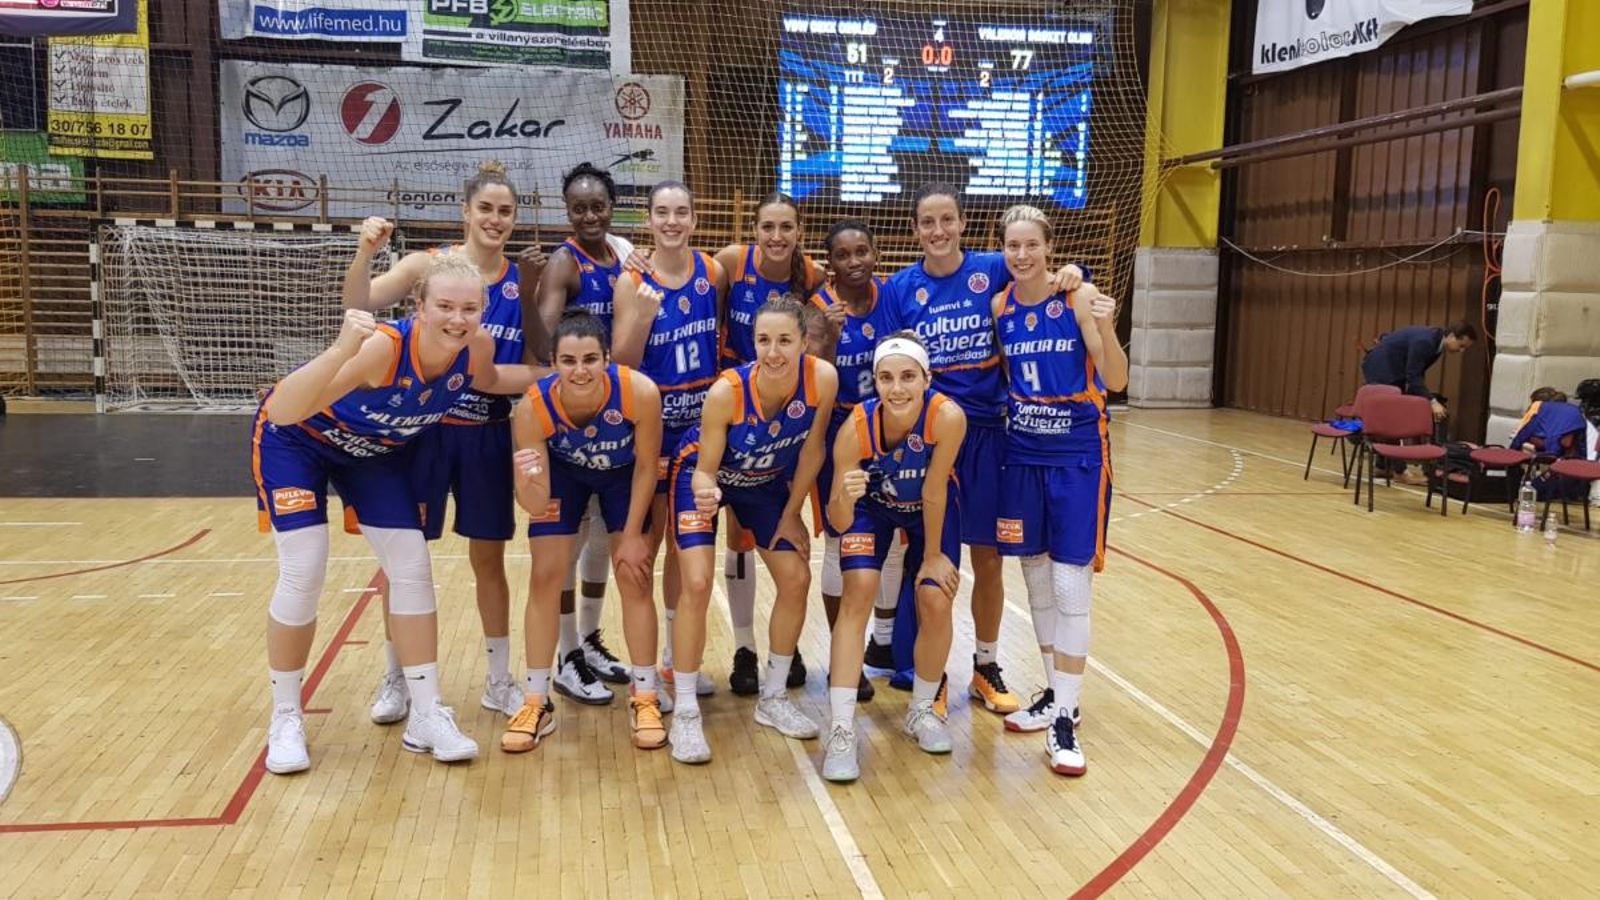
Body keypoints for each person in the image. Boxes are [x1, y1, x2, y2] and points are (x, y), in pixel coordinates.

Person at [257, 254, 539, 774]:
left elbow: (497, 378)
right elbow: (282, 410)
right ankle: (285, 716)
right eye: (446, 306)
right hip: (300, 444)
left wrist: (574, 370)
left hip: (371, 452)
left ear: (484, 311)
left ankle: (427, 713)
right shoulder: (383, 349)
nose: (458, 318)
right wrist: (344, 348)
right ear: (420, 306)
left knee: (411, 563)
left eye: (470, 308)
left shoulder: (475, 348)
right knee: (305, 567)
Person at [342, 161, 547, 722]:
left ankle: (499, 679)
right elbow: (360, 304)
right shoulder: (426, 266)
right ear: (466, 212)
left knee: (490, 560)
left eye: (506, 211)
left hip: (487, 434)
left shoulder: (520, 282)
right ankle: (396, 677)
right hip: (422, 433)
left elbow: (534, 364)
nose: (496, 219)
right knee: (405, 562)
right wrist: (364, 253)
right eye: (486, 208)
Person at [885, 182, 1081, 715]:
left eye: (947, 219)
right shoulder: (900, 289)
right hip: (933, 441)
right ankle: (930, 672)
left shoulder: (994, 267)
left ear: (963, 223)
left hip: (993, 434)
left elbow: (1039, 274)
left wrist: (1073, 274)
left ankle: (985, 665)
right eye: (928, 221)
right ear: (915, 230)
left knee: (989, 561)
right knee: (933, 560)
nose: (939, 230)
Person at [668, 296, 837, 763]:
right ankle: (684, 710)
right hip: (705, 476)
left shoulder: (822, 380)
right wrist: (705, 491)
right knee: (697, 582)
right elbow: (704, 470)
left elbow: (812, 452)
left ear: (805, 343)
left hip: (763, 483)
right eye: (764, 340)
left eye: (785, 340)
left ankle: (774, 696)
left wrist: (791, 512)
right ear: (753, 342)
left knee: (797, 576)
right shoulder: (727, 391)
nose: (774, 351)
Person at [991, 205, 1127, 777]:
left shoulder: (1075, 297)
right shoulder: (1001, 306)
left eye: (1031, 245)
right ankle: (1053, 694)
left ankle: (1067, 716)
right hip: (1023, 457)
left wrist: (1108, 323)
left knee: (1072, 587)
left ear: (1049, 248)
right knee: (1037, 581)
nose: (1021, 255)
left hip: (1076, 457)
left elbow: (1116, 379)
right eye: (1012, 246)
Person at [503, 310, 668, 752]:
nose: (580, 370)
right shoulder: (532, 410)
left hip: (623, 476)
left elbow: (649, 465)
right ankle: (535, 700)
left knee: (634, 573)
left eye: (590, 359)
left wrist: (633, 533)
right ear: (554, 363)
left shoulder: (640, 393)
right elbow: (534, 504)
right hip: (565, 476)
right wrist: (526, 480)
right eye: (569, 361)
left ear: (608, 359)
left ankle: (645, 693)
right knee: (545, 574)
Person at [821, 332, 965, 782]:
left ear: (927, 379)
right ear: (875, 382)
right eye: (886, 378)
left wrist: (934, 556)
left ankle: (922, 709)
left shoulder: (948, 418)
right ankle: (842, 728)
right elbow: (837, 518)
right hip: (873, 510)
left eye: (907, 377)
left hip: (929, 510)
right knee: (858, 592)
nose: (897, 388)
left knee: (935, 597)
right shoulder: (854, 430)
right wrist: (846, 495)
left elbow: (935, 488)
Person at [530, 162, 649, 698]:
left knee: (602, 538)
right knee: (570, 544)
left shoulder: (622, 254)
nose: (588, 215)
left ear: (612, 206)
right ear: (567, 211)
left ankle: (589, 638)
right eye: (578, 207)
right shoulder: (563, 261)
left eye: (597, 205)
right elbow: (544, 342)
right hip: (572, 416)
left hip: (616, 411)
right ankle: (564, 654)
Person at [611, 180, 723, 704]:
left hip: (700, 434)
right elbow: (622, 364)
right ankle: (646, 670)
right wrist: (644, 318)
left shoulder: (711, 272)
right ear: (649, 221)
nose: (672, 221)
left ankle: (678, 658)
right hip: (652, 431)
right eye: (662, 213)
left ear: (694, 220)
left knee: (686, 546)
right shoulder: (630, 280)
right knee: (646, 549)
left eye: (681, 212)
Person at [712, 192, 826, 696]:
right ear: (755, 230)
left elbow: (822, 334)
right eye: (768, 226)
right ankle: (743, 647)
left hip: (781, 420)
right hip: (731, 408)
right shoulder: (732, 263)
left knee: (780, 545)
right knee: (736, 538)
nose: (776, 236)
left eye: (786, 227)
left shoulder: (814, 276)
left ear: (798, 232)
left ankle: (786, 644)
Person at [807, 219, 905, 702]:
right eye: (842, 255)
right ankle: (841, 654)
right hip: (840, 435)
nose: (853, 262)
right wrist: (825, 339)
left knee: (894, 541)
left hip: (892, 432)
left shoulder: (894, 296)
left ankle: (882, 645)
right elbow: (809, 380)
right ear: (830, 266)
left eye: (861, 251)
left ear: (875, 254)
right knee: (842, 542)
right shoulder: (819, 309)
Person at [1360, 321, 1477, 482]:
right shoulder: (1426, 342)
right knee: (1391, 420)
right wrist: (1432, 401)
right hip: (1381, 370)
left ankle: (1382, 466)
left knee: (1393, 417)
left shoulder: (1436, 342)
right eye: (1461, 345)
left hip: (1393, 371)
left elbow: (1416, 374)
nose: (1461, 350)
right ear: (1451, 336)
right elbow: (1413, 375)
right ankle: (1399, 472)